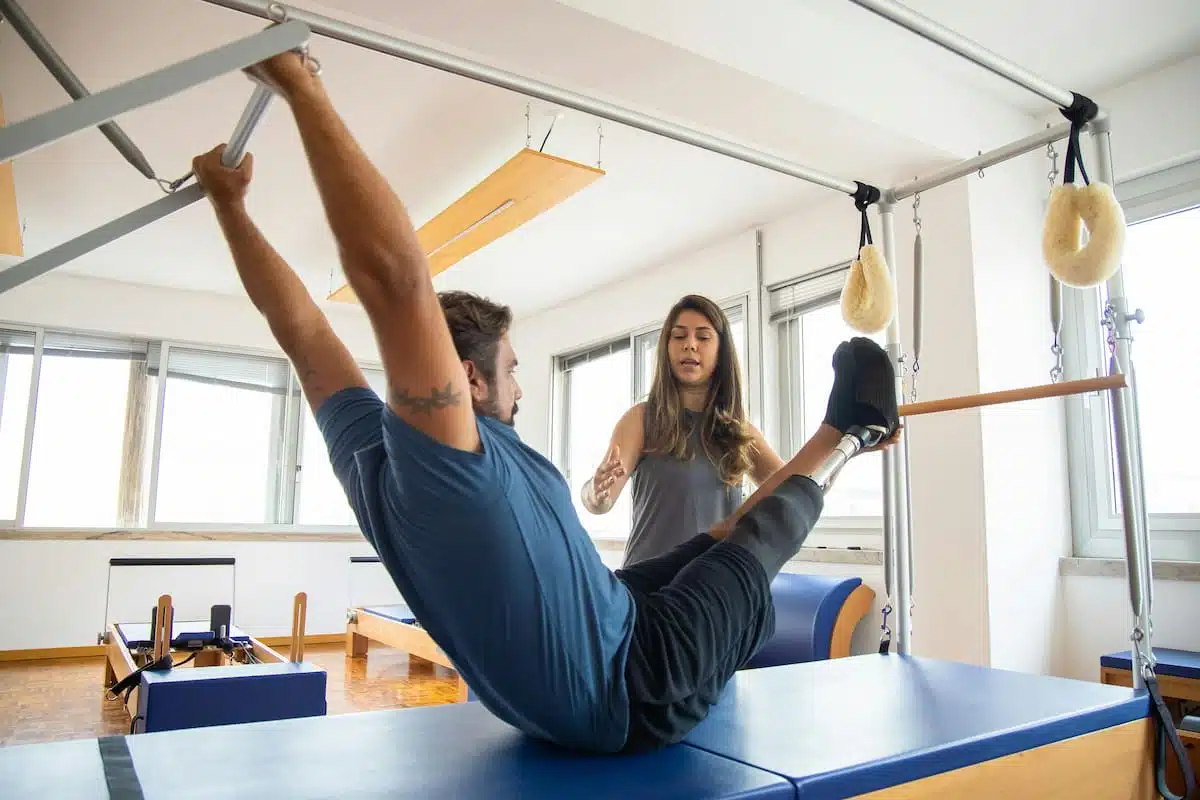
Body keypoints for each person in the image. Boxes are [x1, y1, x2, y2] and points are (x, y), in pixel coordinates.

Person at [192, 49, 900, 755]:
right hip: (634, 685)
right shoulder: (444, 461)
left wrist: (230, 205)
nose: (523, 387)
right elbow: (392, 276)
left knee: (712, 542)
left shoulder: (366, 448)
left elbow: (304, 331)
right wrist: (299, 82)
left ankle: (839, 437)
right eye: (513, 369)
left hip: (617, 616)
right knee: (753, 548)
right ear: (470, 380)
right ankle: (850, 434)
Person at [581, 295, 785, 567]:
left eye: (703, 337)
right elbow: (599, 502)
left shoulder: (740, 433)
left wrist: (846, 445)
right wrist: (595, 492)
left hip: (711, 589)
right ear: (666, 347)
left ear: (720, 351)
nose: (690, 344)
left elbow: (798, 488)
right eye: (679, 337)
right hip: (651, 590)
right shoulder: (641, 419)